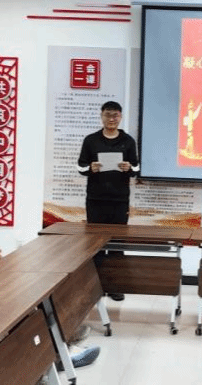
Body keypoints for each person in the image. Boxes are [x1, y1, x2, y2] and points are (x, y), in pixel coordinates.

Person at [77, 100, 139, 301]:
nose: (111, 119)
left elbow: (137, 168)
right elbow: (80, 167)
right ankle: (95, 286)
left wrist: (128, 168)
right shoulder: (91, 140)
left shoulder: (128, 141)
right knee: (94, 244)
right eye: (108, 115)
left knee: (117, 244)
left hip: (119, 201)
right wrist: (91, 168)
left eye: (115, 115)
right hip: (96, 200)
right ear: (101, 116)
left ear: (120, 117)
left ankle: (115, 287)